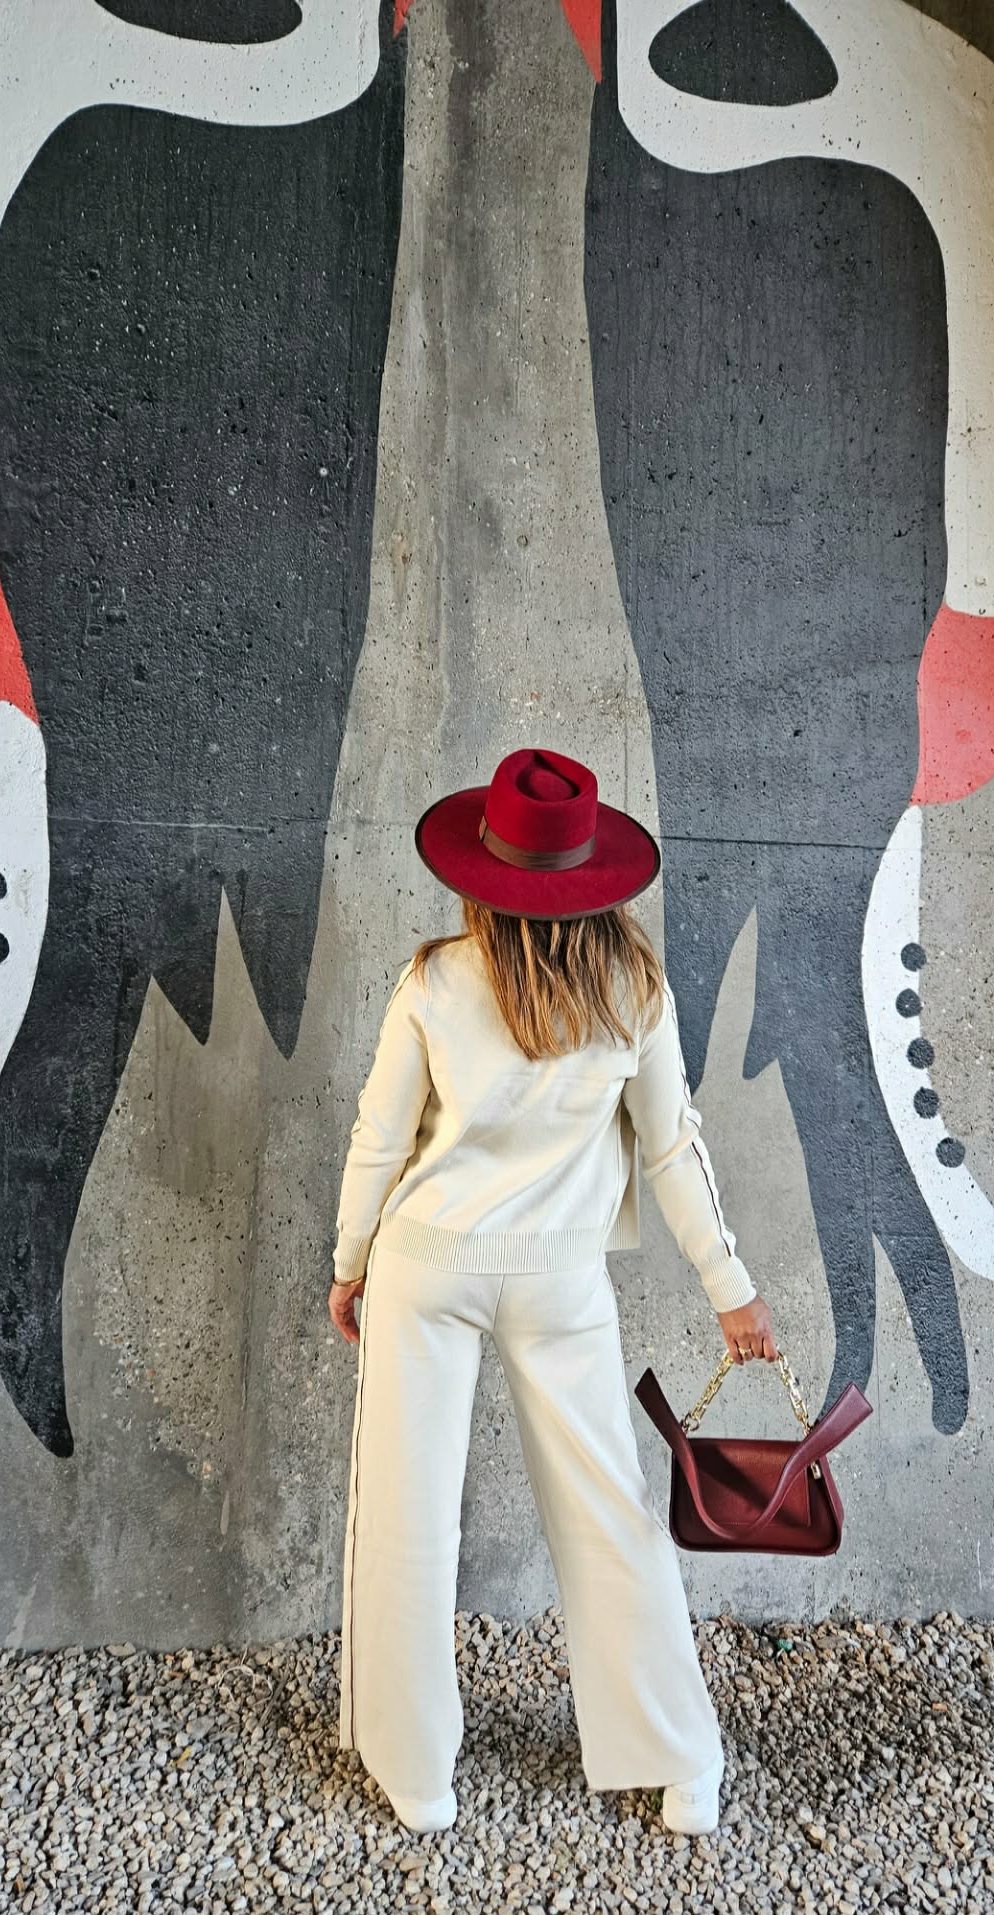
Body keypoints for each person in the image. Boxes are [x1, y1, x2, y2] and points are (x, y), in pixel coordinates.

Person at [328, 746, 777, 1837]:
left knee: (407, 1518)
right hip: (560, 1277)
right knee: (612, 1515)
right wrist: (731, 1288)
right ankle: (683, 1766)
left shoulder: (436, 979)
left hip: (427, 1265)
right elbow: (673, 1148)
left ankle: (419, 1777)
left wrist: (349, 1261)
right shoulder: (635, 989)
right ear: (591, 869)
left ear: (483, 870)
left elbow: (379, 1138)